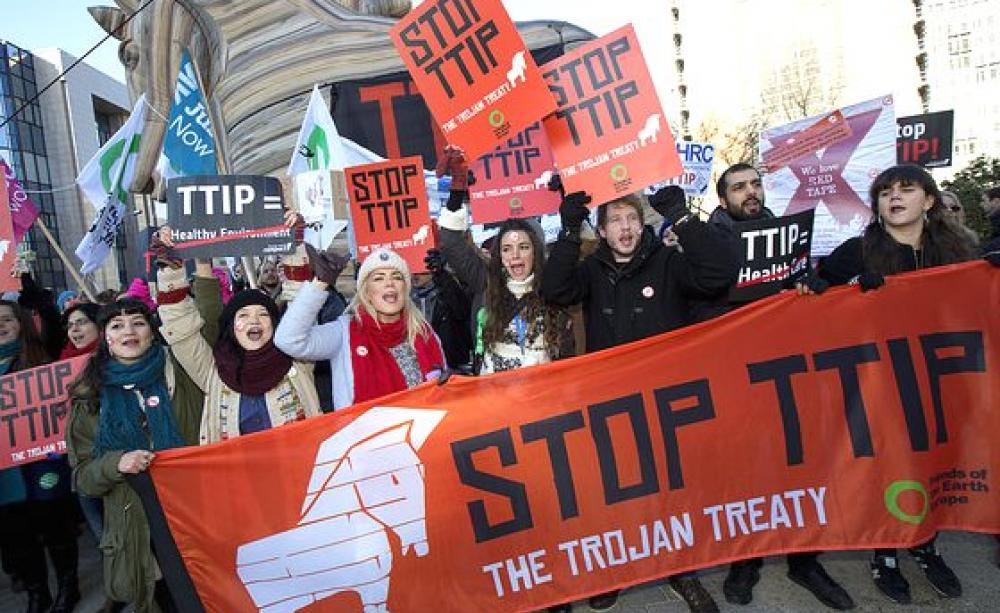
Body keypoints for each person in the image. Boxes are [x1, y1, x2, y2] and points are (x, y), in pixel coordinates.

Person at [542, 186, 739, 613]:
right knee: (615, 491)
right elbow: (555, 290)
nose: (625, 228)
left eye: (632, 218)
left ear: (643, 222)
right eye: (614, 220)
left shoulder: (668, 262)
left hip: (665, 399)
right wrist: (569, 231)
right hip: (611, 402)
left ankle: (682, 572)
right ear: (604, 230)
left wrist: (684, 219)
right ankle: (615, 570)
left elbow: (717, 274)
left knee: (672, 491)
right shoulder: (592, 269)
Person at [804, 164, 980, 605]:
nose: (894, 197)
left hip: (941, 379)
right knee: (890, 462)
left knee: (933, 460)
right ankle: (885, 552)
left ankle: (925, 544)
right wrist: (837, 289)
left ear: (930, 200)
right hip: (881, 380)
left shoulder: (959, 252)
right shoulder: (858, 250)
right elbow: (813, 301)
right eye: (885, 192)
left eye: (906, 189)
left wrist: (989, 275)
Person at [689, 164, 855, 610]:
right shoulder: (709, 245)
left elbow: (803, 298)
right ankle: (747, 559)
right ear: (723, 200)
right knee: (744, 473)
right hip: (733, 379)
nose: (751, 193)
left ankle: (805, 559)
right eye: (739, 187)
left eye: (756, 184)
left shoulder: (787, 238)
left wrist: (807, 287)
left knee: (799, 467)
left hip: (785, 375)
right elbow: (698, 302)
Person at [66, 298, 204, 612]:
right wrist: (116, 463)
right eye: (117, 325)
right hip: (140, 530)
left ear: (153, 332)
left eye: (138, 322)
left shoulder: (180, 375)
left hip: (194, 517)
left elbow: (203, 318)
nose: (129, 330)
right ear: (106, 338)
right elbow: (83, 478)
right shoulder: (89, 398)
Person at [157, 255, 321, 443]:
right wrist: (171, 268)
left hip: (299, 469)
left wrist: (293, 243)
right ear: (232, 328)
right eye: (243, 315)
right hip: (236, 472)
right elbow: (181, 327)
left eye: (263, 314)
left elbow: (302, 307)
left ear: (274, 325)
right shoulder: (214, 371)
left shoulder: (298, 360)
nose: (254, 320)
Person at [275, 247, 446, 410]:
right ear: (366, 292)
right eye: (378, 278)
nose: (389, 283)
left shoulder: (425, 334)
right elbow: (288, 340)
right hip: (368, 438)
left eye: (397, 277)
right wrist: (320, 283)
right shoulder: (344, 333)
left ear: (405, 288)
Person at [0, 300, 81, 613]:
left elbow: (48, 314)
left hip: (42, 465)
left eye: (7, 319)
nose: (2, 325)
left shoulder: (38, 360)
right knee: (18, 537)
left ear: (21, 323)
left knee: (55, 528)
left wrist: (28, 283)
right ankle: (38, 593)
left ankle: (67, 587)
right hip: (6, 475)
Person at [436, 197, 573, 374]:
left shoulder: (552, 288)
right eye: (507, 249)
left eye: (523, 247)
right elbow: (450, 242)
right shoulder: (487, 282)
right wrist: (456, 195)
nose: (515, 255)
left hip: (543, 394)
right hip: (495, 394)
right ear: (499, 256)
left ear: (536, 252)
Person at [412, 249, 474, 373]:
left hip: (453, 368)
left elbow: (462, 310)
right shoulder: (405, 299)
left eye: (420, 269)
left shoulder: (447, 291)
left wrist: (442, 274)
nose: (415, 275)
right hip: (422, 369)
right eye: (412, 269)